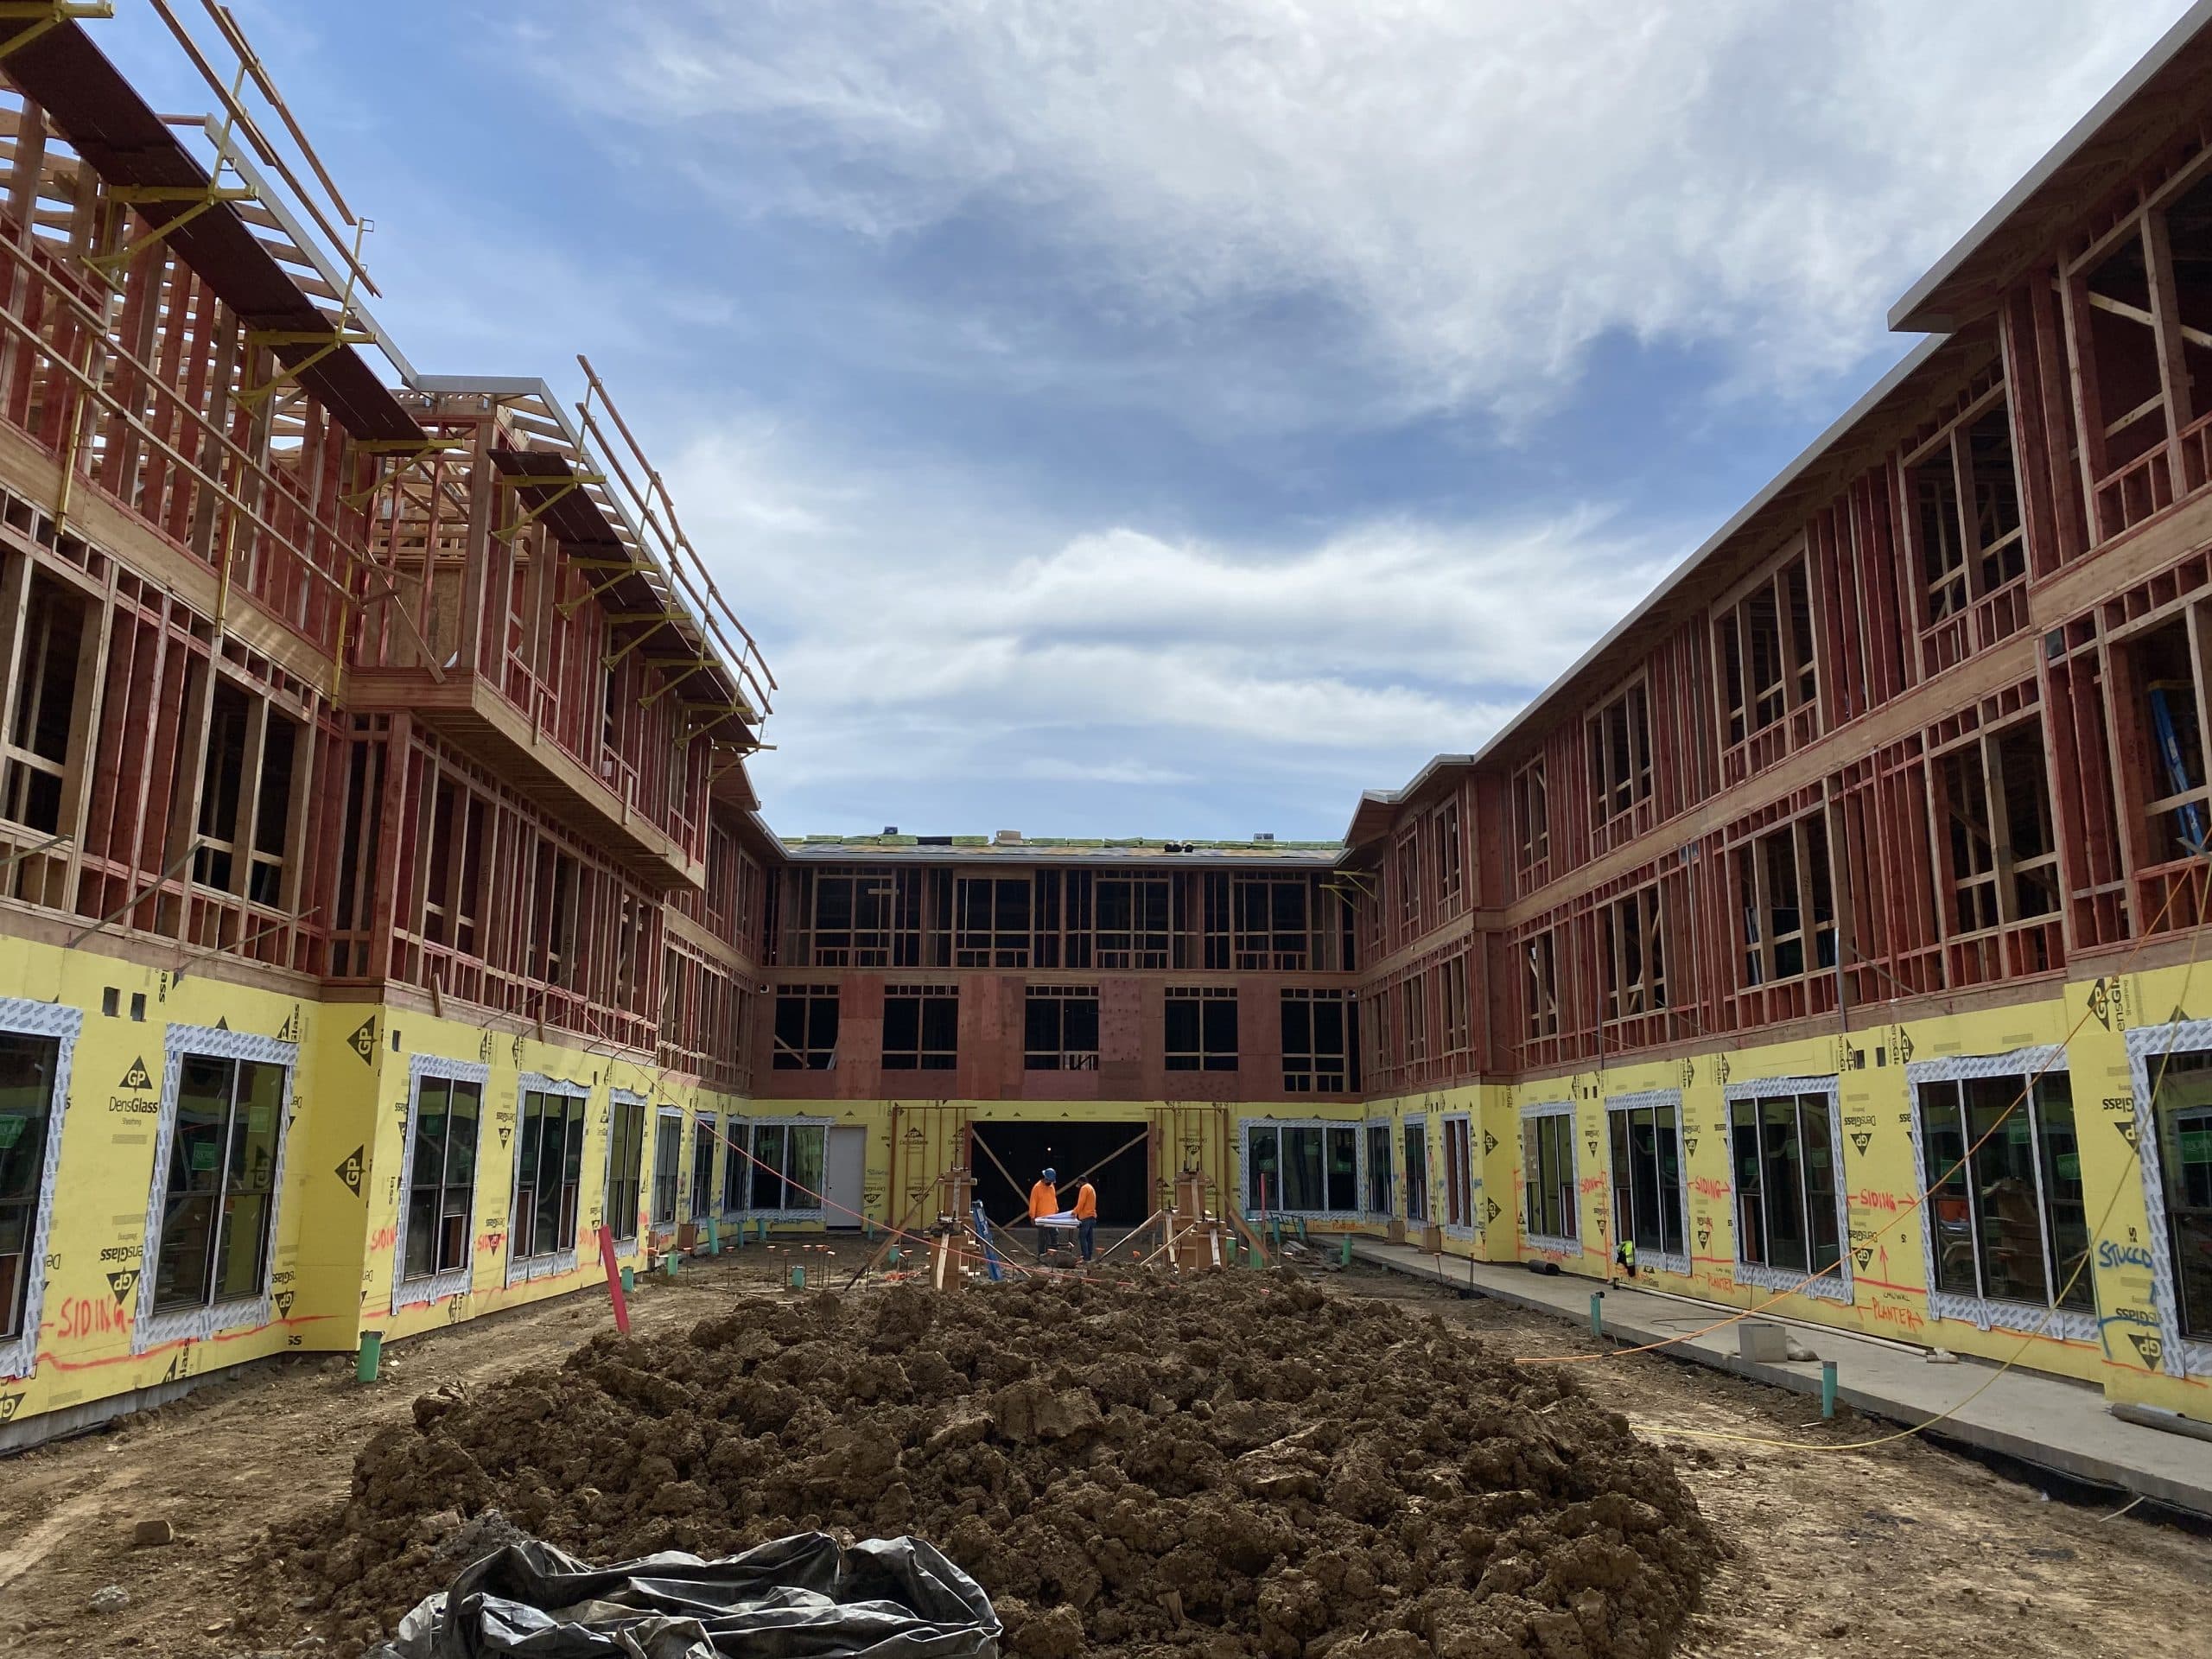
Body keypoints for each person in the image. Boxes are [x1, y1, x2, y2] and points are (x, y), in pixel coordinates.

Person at [1028, 1166, 1059, 1262]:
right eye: (1049, 1181)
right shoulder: (1037, 1188)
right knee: (1043, 1238)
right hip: (1042, 1218)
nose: (1051, 1183)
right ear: (1045, 1178)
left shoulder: (1051, 1186)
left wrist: (1056, 1209)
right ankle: (1042, 1256)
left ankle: (1053, 1255)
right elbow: (1033, 1202)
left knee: (1054, 1235)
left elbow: (1053, 1199)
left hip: (1052, 1217)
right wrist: (1032, 1216)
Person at [1073, 1177, 1098, 1263]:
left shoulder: (1084, 1188)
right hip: (1092, 1217)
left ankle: (1085, 1257)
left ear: (1080, 1182)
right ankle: (1089, 1257)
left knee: (1082, 1237)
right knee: (1089, 1238)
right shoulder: (1091, 1188)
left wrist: (1074, 1212)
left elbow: (1081, 1203)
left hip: (1085, 1217)